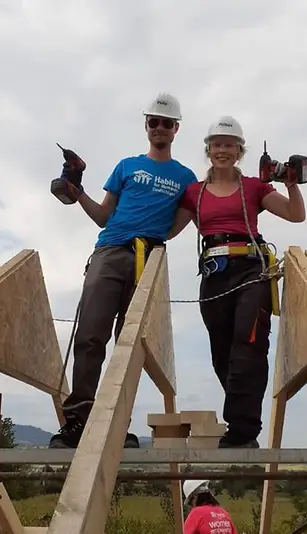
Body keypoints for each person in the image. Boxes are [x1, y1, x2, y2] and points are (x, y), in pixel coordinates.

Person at [48, 93, 200, 449]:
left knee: (130, 345)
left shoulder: (186, 177)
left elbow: (179, 223)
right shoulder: (126, 166)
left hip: (148, 257)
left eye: (166, 123)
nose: (159, 128)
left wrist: (152, 240)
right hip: (110, 250)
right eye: (153, 122)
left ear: (176, 129)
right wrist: (78, 193)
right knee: (90, 335)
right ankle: (79, 420)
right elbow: (104, 216)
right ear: (147, 126)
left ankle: (115, 423)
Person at [167, 116, 306, 448]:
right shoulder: (193, 193)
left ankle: (243, 431)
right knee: (223, 354)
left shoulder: (254, 188)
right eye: (217, 145)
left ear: (239, 151)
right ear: (209, 149)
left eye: (229, 145)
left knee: (249, 344)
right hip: (214, 273)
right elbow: (169, 231)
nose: (223, 150)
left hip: (251, 268)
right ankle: (243, 418)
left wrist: (290, 183)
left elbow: (295, 215)